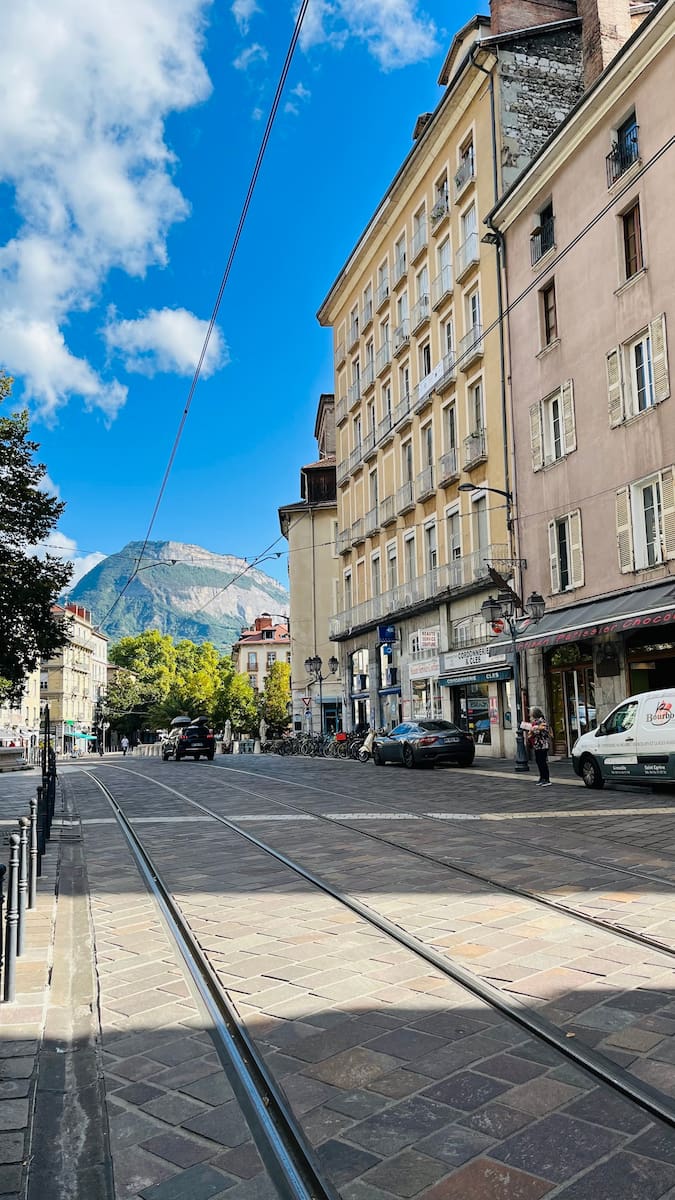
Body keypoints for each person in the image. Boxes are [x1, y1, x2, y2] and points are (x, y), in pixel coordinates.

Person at [529, 706, 551, 786]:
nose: (530, 714)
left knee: (542, 762)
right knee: (539, 761)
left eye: (531, 712)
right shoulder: (535, 722)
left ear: (535, 713)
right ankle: (542, 778)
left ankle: (546, 779)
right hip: (537, 744)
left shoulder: (541, 721)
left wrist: (533, 729)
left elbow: (542, 731)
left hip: (542, 744)